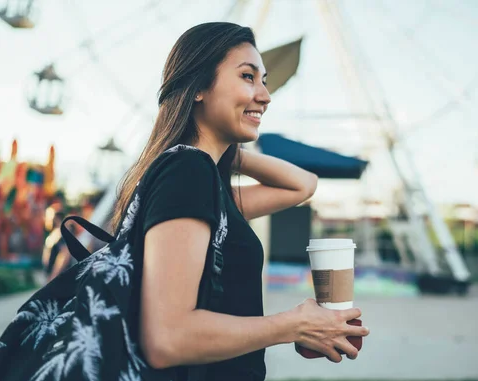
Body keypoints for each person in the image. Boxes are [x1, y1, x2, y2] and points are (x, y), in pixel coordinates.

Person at [109, 22, 369, 380]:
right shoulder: (187, 171)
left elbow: (303, 185)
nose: (265, 95)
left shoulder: (206, 183)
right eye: (248, 77)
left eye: (263, 80)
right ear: (198, 86)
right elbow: (167, 338)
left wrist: (225, 148)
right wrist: (295, 325)